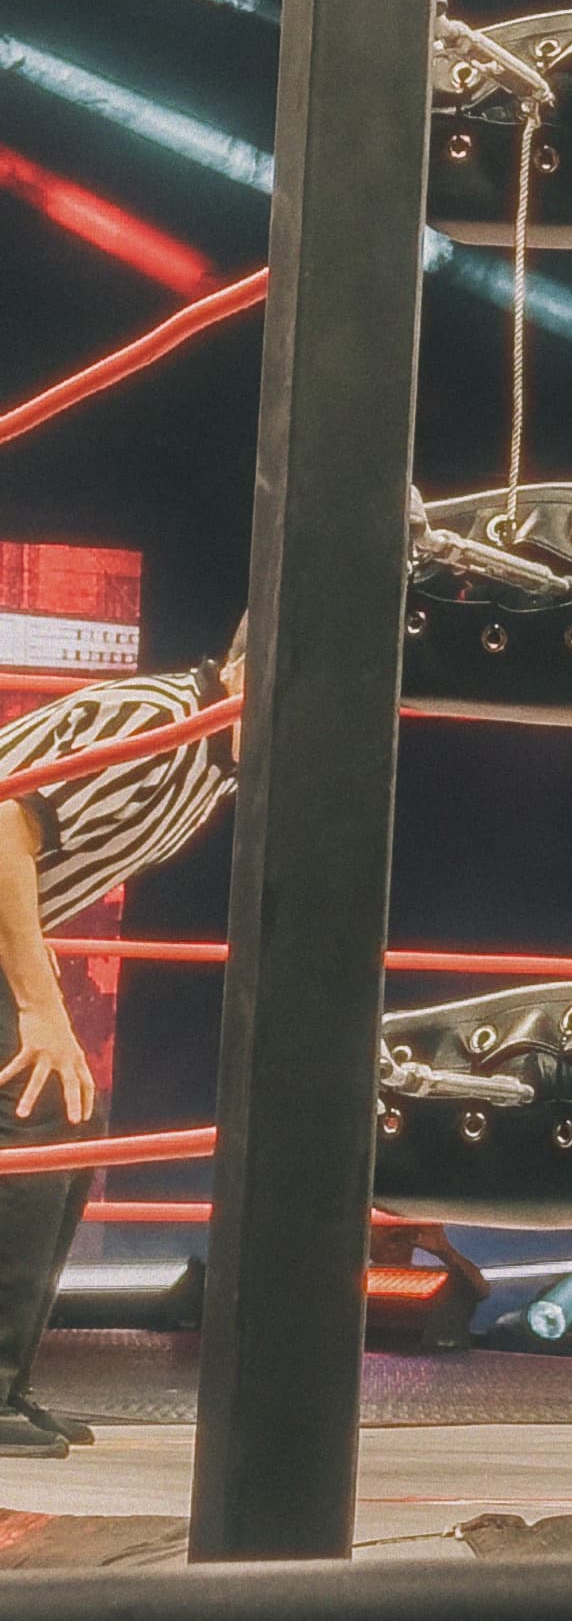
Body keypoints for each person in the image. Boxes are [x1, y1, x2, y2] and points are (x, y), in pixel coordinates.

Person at [0, 623, 243, 1456]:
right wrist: (40, 1007)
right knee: (37, 1113)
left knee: (65, 1122)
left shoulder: (215, 763)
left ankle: (7, 1384)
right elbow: (3, 827)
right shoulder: (161, 721)